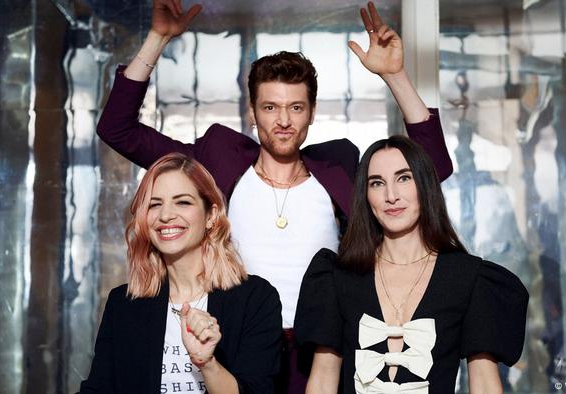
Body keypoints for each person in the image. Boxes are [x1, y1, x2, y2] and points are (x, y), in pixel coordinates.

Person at [96, 1, 452, 391]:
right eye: (270, 107)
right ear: (252, 111)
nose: (283, 121)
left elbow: (430, 171)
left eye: (295, 107)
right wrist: (157, 38)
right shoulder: (218, 159)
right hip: (235, 342)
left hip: (321, 351)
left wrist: (396, 76)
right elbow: (117, 129)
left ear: (312, 112)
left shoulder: (339, 166)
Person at [295, 136, 529, 393]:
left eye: (403, 178)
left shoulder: (469, 278)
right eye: (377, 183)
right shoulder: (337, 277)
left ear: (425, 185)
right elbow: (322, 380)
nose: (391, 196)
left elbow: (485, 385)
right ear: (366, 195)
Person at [79, 153, 282, 393]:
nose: (166, 215)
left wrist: (206, 362)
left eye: (182, 202)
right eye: (154, 204)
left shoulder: (255, 299)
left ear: (211, 216)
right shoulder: (123, 304)